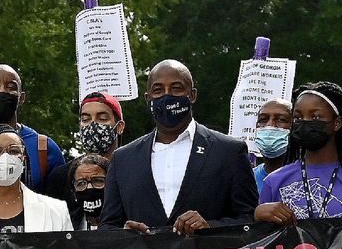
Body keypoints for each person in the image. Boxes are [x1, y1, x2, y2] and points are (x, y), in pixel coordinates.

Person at [100, 60, 257, 234]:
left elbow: (249, 220)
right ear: (148, 98)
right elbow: (107, 227)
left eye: (176, 88)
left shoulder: (229, 152)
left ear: (192, 95)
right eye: (158, 90)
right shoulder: (123, 159)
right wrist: (124, 233)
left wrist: (209, 227)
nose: (167, 96)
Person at [254, 82, 342, 226]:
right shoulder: (274, 181)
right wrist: (258, 215)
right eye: (298, 117)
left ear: (337, 123)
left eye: (315, 117)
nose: (305, 122)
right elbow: (260, 241)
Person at [0, 64, 65, 192]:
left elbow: (61, 203)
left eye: (11, 87)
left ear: (21, 97)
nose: (2, 91)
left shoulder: (44, 148)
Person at [44, 91, 126, 224]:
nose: (93, 125)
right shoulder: (60, 177)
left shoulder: (132, 170)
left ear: (120, 127)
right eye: (86, 119)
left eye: (102, 118)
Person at [252, 99, 292, 196]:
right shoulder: (247, 178)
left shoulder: (307, 177)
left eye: (281, 119)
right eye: (263, 119)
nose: (270, 125)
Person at [69, 153, 110, 230]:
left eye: (98, 181)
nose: (89, 187)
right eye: (81, 183)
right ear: (74, 191)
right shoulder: (67, 222)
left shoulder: (129, 219)